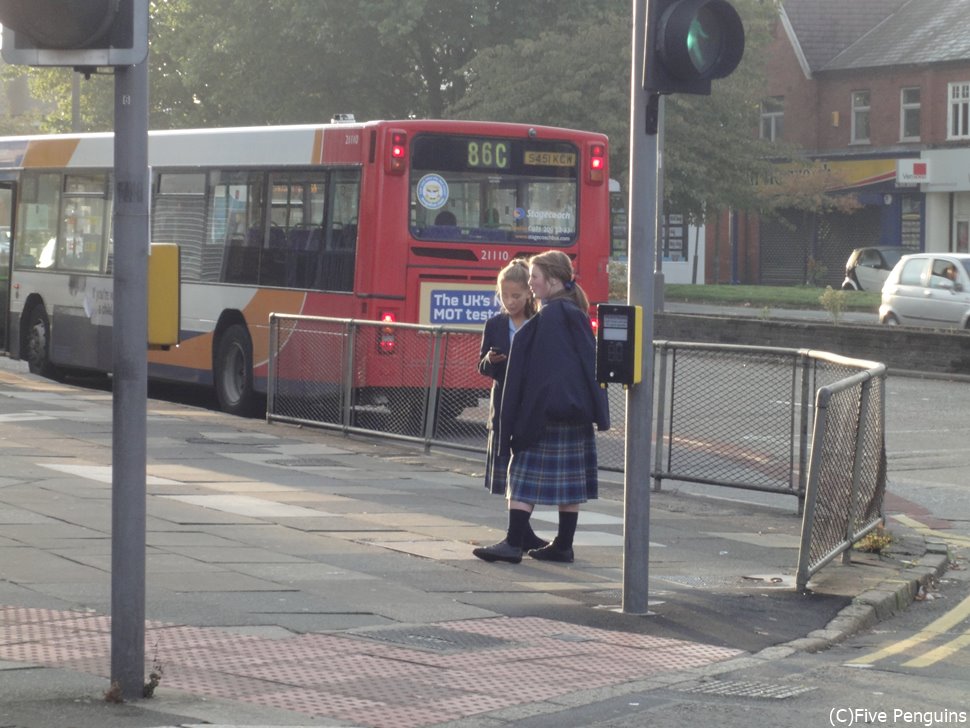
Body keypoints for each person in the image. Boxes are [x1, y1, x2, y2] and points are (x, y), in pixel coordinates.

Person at [473, 250, 610, 565]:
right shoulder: (571, 313)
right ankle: (562, 545)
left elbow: (539, 374)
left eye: (534, 276)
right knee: (570, 483)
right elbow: (589, 365)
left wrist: (522, 417)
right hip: (574, 413)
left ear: (551, 279)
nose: (531, 282)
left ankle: (512, 543)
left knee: (521, 476)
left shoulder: (548, 319)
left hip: (545, 415)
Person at [477, 260, 547, 551]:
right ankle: (523, 532)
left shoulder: (538, 323)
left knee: (524, 468)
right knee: (510, 469)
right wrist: (490, 362)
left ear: (529, 294)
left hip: (529, 405)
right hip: (503, 404)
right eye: (504, 296)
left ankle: (518, 534)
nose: (510, 302)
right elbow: (481, 367)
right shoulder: (494, 324)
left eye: (516, 296)